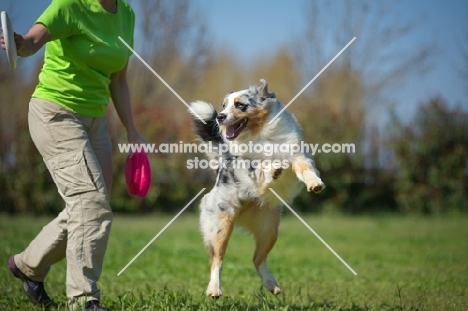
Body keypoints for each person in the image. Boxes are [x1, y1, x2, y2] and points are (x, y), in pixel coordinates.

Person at [0, 0, 144, 310]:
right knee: (89, 204)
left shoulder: (127, 15)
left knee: (90, 206)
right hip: (56, 113)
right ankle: (83, 299)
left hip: (95, 120)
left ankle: (28, 265)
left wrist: (132, 130)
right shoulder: (70, 5)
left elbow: (118, 79)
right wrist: (19, 43)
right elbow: (32, 41)